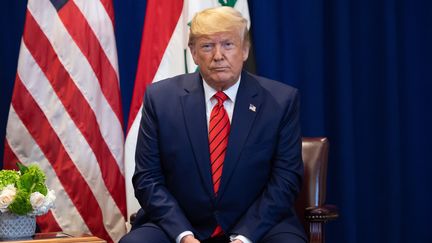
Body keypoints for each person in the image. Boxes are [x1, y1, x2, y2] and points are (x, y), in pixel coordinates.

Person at [120, 6, 306, 243]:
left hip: (258, 223)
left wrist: (245, 237)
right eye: (207, 46)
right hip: (180, 222)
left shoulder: (280, 101)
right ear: (193, 54)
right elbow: (147, 179)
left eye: (228, 44)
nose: (218, 55)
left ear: (245, 50)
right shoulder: (160, 99)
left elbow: (286, 179)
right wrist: (183, 235)